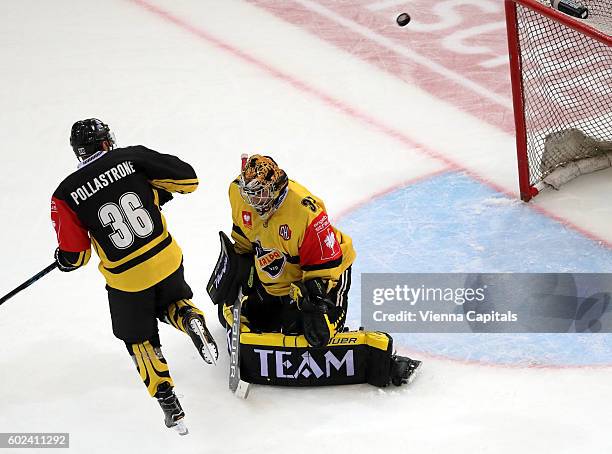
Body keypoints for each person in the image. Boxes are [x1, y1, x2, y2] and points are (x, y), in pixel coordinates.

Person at [51, 118, 217, 435]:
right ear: (104, 143)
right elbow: (188, 180)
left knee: (139, 337)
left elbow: (78, 256)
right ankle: (190, 319)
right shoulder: (131, 156)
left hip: (127, 279)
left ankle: (168, 401)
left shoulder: (64, 195)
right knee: (172, 302)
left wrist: (63, 258)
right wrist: (152, 190)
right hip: (166, 258)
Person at [209, 155, 421, 387]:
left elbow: (323, 269)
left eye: (259, 193)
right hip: (278, 276)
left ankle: (381, 360)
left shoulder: (306, 214)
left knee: (317, 335)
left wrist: (313, 300)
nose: (252, 200)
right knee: (247, 315)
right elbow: (243, 236)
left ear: (276, 187)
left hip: (326, 273)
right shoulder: (239, 194)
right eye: (249, 193)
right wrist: (241, 268)